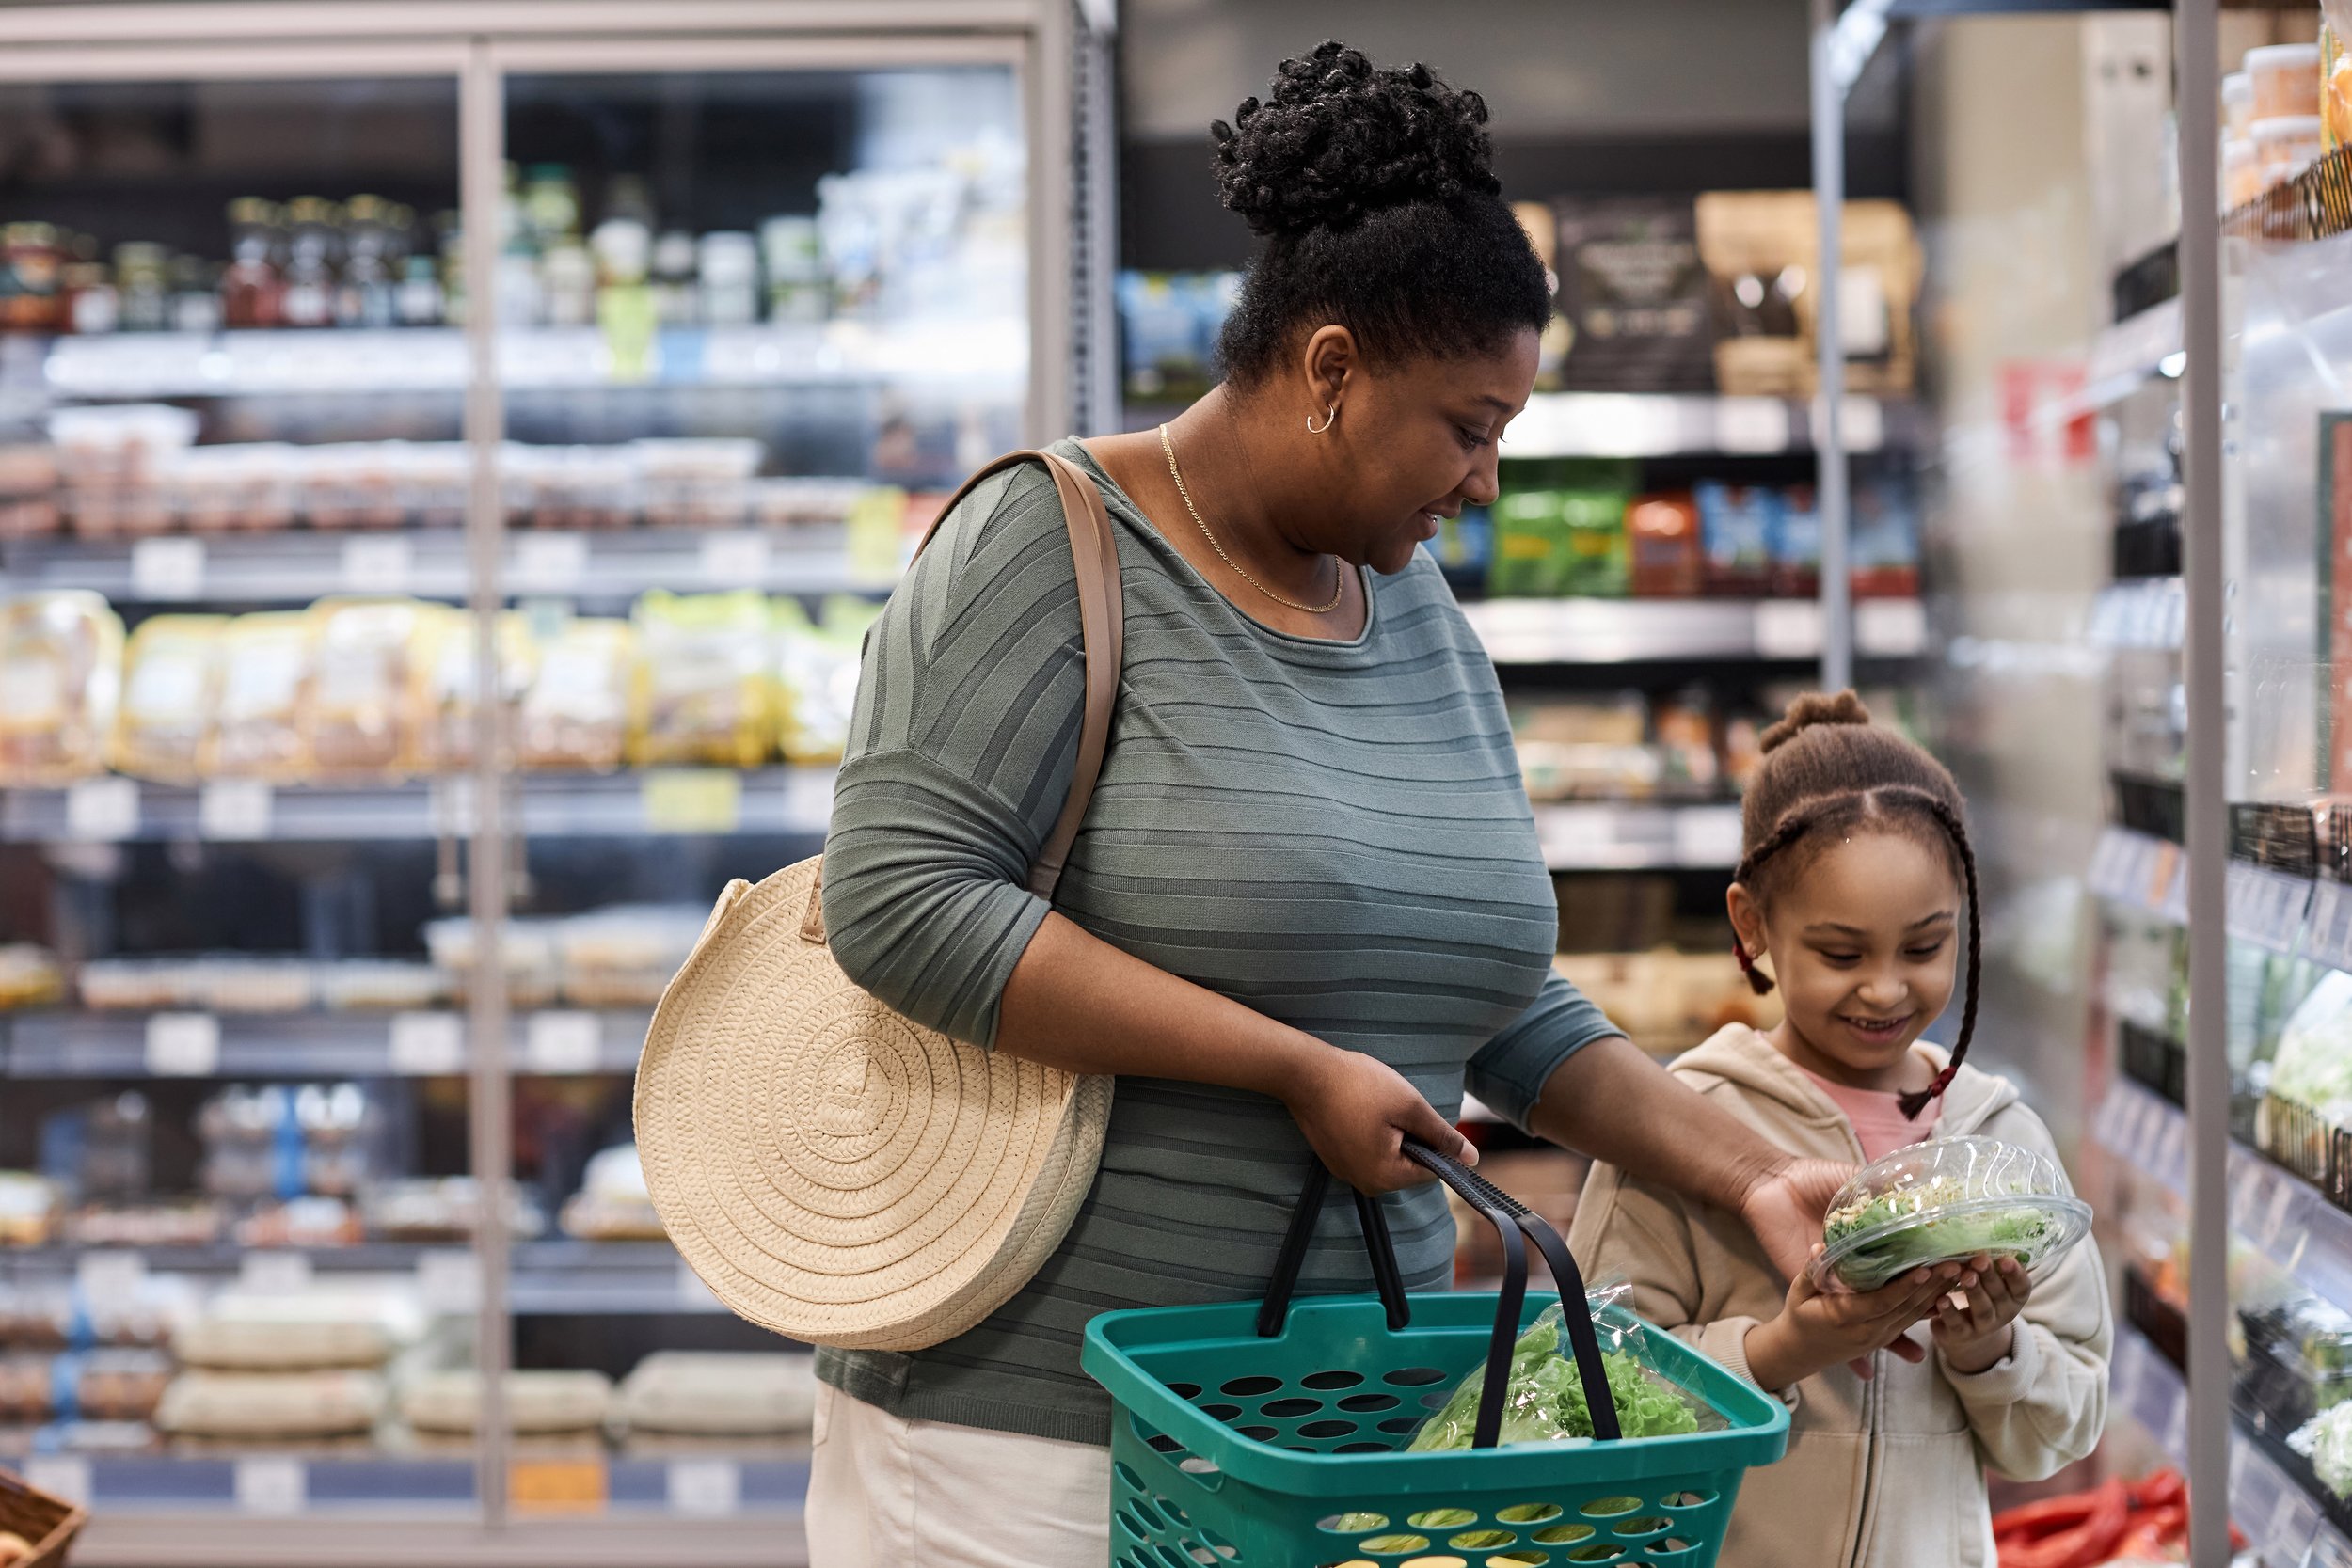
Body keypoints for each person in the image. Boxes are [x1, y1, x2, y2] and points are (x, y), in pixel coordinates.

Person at [803, 44, 1964, 1566]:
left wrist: (1757, 1175)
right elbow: (901, 900)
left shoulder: (1416, 620)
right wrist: (1292, 1065)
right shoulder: (1052, 544)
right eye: (1469, 427)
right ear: (1333, 369)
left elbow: (1499, 1007)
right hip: (1023, 1436)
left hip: (1339, 1431)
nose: (1484, 478)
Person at [1569, 691, 2113, 1568]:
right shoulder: (1685, 1124)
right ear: (1752, 925)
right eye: (1842, 954)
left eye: (1925, 946)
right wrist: (1779, 1352)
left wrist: (1991, 1351)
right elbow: (1592, 1391)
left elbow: (2061, 1432)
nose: (1887, 989)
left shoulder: (1997, 1139)